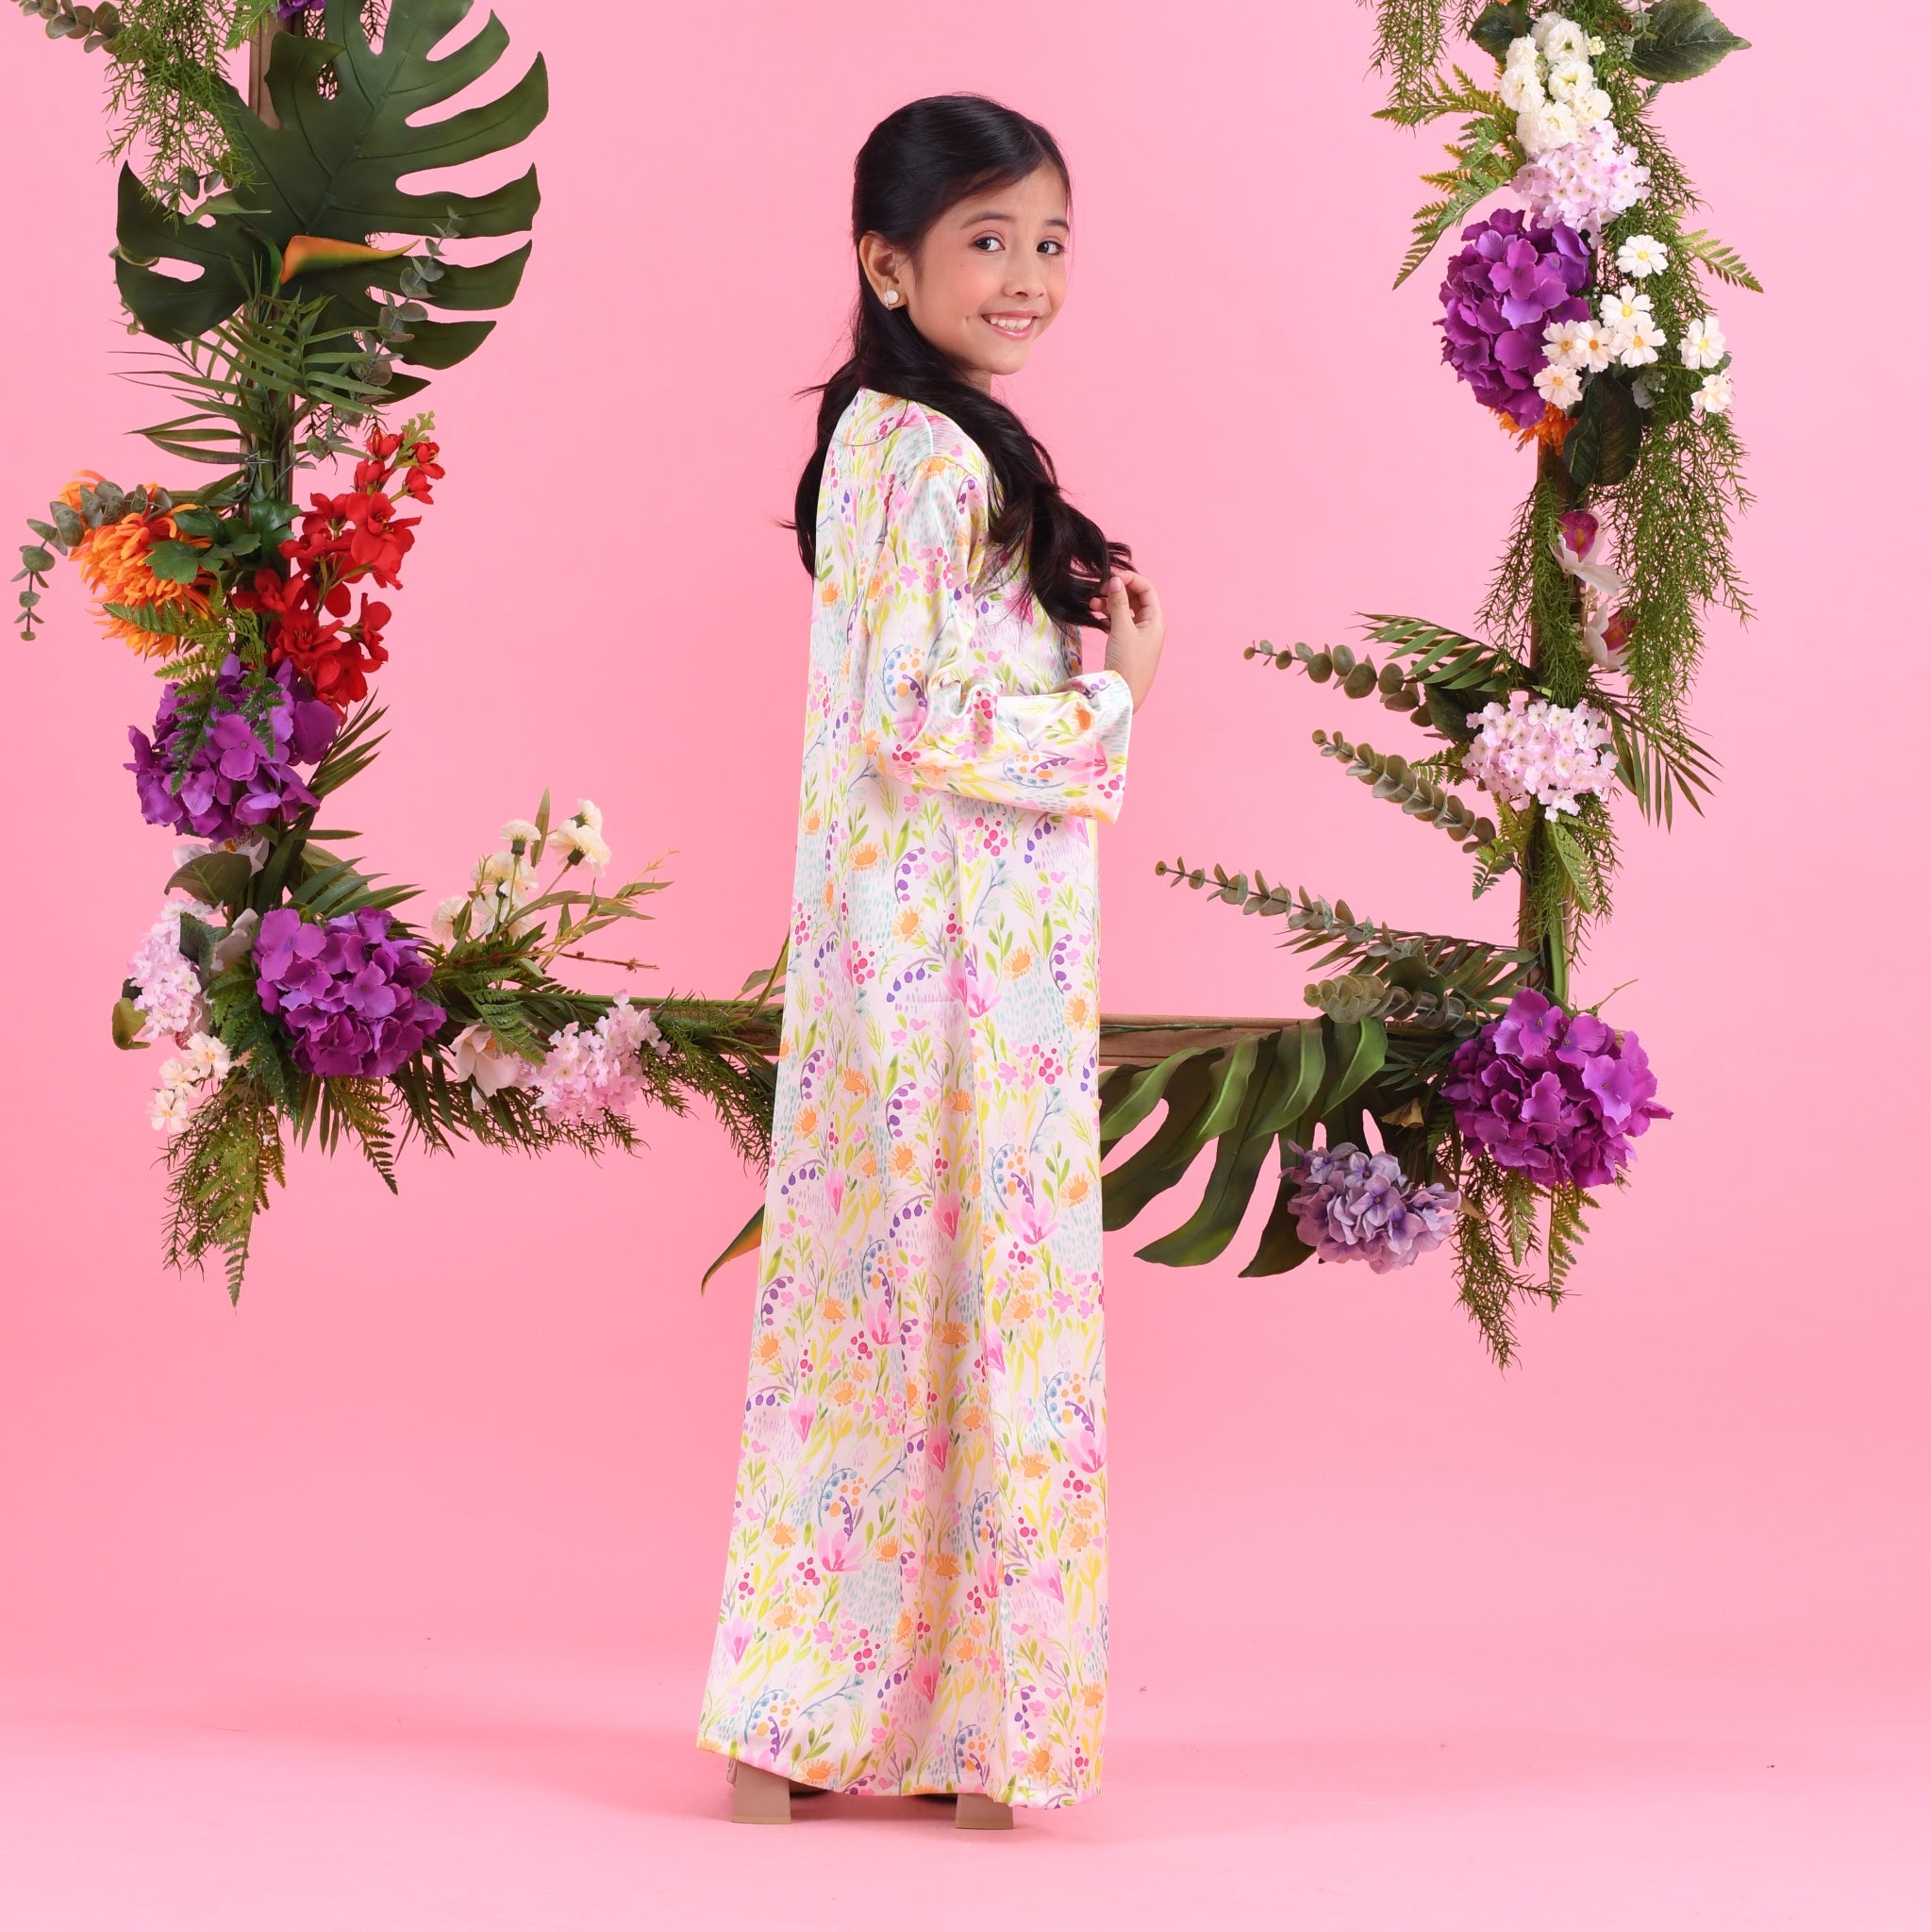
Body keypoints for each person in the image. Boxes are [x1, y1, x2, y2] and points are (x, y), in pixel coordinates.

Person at [697, 93, 1166, 1830]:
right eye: (987, 240)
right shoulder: (933, 456)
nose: (1028, 275)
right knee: (966, 1324)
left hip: (923, 952)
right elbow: (915, 718)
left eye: (1051, 240)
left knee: (882, 1324)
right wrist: (1114, 701)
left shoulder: (898, 444)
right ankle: (967, 1732)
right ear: (888, 266)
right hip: (951, 972)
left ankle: (845, 1720)